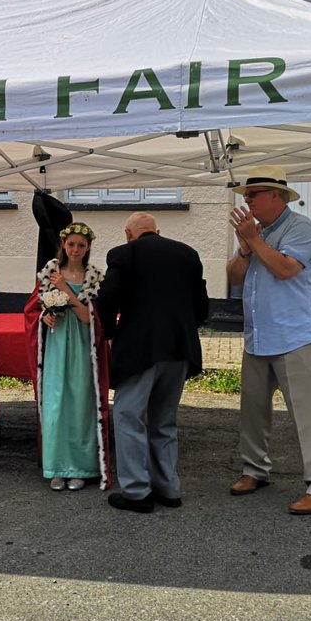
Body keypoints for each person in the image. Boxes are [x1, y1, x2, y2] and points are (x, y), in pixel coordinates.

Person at [226, 166, 311, 515]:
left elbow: (286, 269)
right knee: (253, 411)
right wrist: (245, 247)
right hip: (259, 335)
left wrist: (255, 241)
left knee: (306, 415)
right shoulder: (255, 232)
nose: (247, 200)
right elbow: (233, 278)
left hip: (294, 336)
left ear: (276, 196)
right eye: (246, 195)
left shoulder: (300, 227)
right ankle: (254, 470)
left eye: (254, 194)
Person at [96, 213, 208, 513]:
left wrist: (110, 331)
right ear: (157, 231)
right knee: (164, 419)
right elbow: (202, 307)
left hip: (140, 349)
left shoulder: (123, 253)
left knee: (129, 416)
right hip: (180, 348)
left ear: (128, 233)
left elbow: (106, 297)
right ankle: (169, 487)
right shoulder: (188, 253)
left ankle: (136, 492)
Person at [23, 221, 112, 491]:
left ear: (87, 248)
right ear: (63, 244)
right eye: (71, 244)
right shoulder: (50, 273)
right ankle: (57, 467)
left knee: (80, 405)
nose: (75, 249)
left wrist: (65, 292)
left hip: (83, 349)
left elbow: (88, 318)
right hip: (57, 344)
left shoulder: (93, 277)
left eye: (81, 245)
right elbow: (32, 309)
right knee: (55, 405)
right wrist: (45, 315)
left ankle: (81, 469)